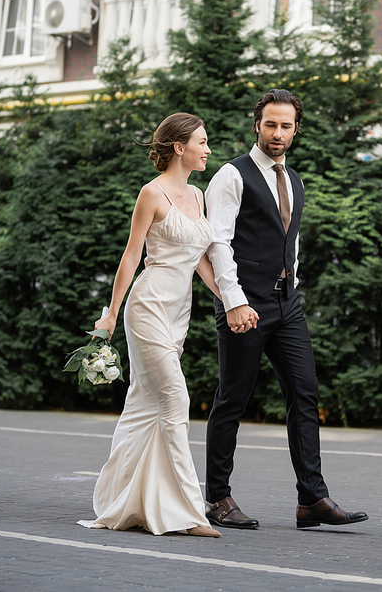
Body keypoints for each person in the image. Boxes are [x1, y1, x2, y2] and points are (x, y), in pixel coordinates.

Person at [79, 112, 256, 537]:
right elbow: (130, 257)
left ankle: (125, 498)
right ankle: (193, 512)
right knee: (176, 400)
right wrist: (109, 314)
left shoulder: (197, 196)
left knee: (143, 406)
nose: (208, 149)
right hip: (147, 307)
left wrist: (234, 302)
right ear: (180, 147)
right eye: (202, 142)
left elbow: (199, 260)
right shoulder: (151, 193)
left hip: (179, 313)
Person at [204, 89, 369, 530]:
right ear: (256, 124)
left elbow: (288, 239)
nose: (278, 133)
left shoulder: (293, 178)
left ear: (297, 129)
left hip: (285, 303)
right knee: (232, 400)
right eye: (271, 124)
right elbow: (217, 241)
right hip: (244, 303)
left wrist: (292, 286)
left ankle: (312, 499)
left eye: (286, 125)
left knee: (305, 392)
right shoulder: (231, 176)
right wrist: (232, 300)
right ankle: (217, 497)